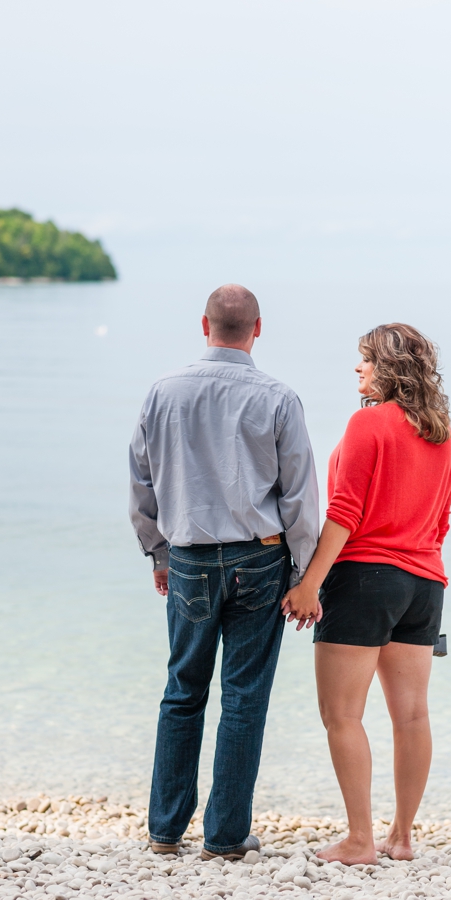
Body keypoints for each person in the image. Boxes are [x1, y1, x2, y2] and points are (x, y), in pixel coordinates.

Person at [128, 284, 322, 860]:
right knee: (243, 697)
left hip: (188, 558)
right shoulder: (279, 398)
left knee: (182, 690)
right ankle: (225, 836)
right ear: (257, 329)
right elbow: (300, 498)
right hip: (260, 558)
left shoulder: (161, 393)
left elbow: (141, 483)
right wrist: (304, 574)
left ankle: (165, 829)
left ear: (204, 325)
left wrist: (159, 552)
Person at [280, 323, 451, 865]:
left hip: (364, 579)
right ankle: (402, 837)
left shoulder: (368, 425)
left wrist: (309, 583)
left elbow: (344, 513)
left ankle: (360, 839)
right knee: (412, 716)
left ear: (387, 367)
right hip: (425, 583)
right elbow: (442, 523)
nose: (357, 369)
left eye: (364, 360)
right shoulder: (444, 436)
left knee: (342, 714)